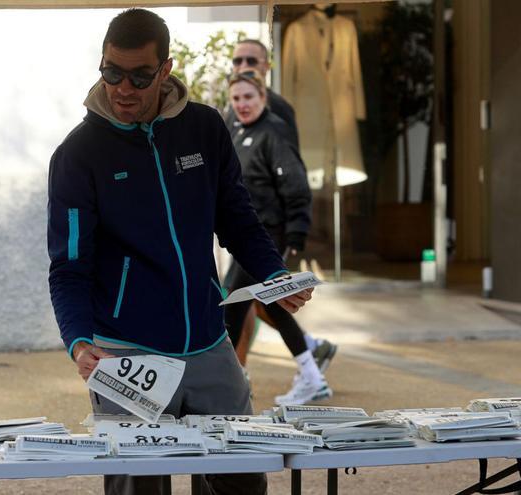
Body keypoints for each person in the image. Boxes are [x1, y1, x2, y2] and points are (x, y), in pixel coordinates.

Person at [47, 9, 313, 495]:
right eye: (111, 72)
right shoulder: (77, 155)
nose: (123, 88)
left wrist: (275, 275)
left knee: (240, 479)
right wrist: (79, 341)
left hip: (210, 343)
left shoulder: (206, 129)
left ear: (165, 70)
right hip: (126, 353)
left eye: (139, 76)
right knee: (138, 487)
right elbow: (68, 267)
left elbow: (237, 220)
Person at [224, 38, 338, 374]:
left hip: (270, 228)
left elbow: (291, 176)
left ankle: (236, 376)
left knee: (240, 301)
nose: (243, 64)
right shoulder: (233, 113)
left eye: (251, 59)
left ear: (266, 66)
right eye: (237, 59)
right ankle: (311, 353)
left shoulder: (276, 116)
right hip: (243, 225)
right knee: (257, 300)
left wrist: (295, 231)